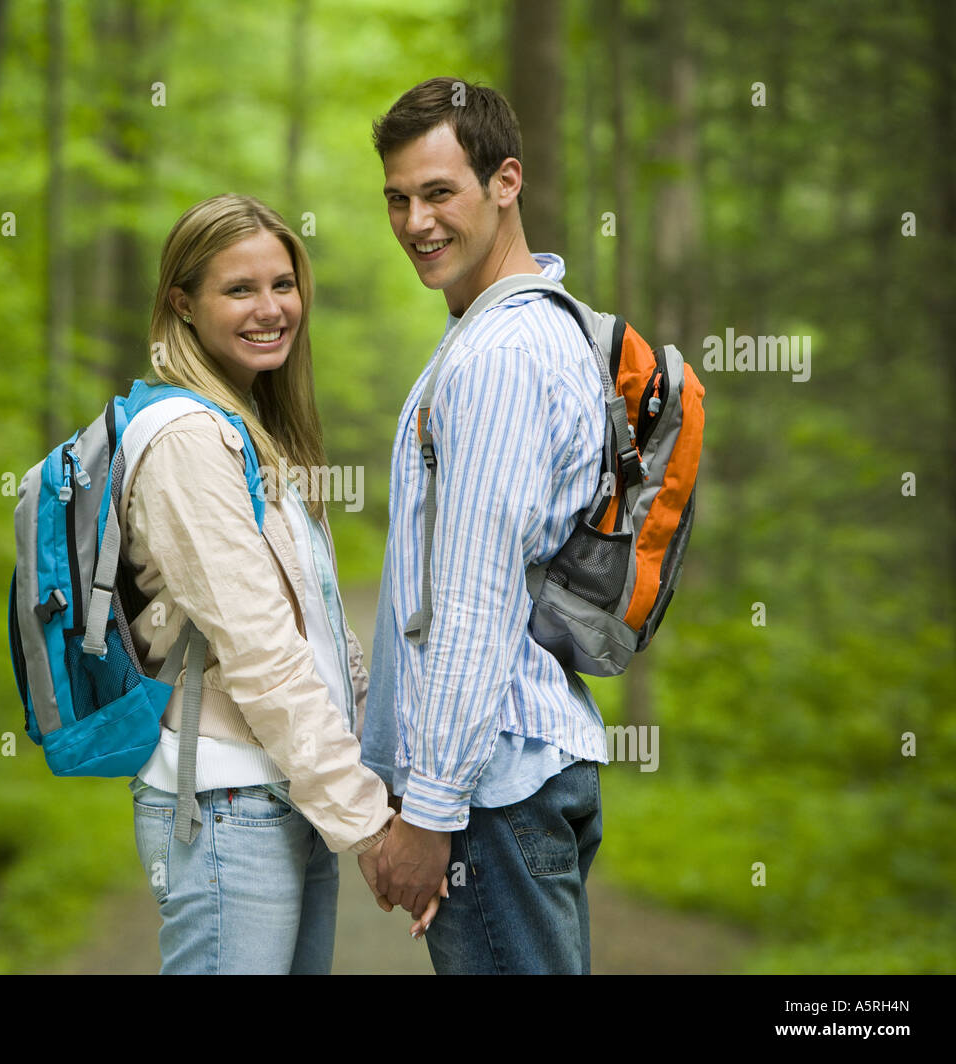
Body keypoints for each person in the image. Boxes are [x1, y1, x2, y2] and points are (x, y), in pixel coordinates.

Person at [121, 193, 441, 975]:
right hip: (227, 809)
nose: (271, 309)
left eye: (283, 285)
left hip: (280, 798)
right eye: (239, 290)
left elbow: (322, 633)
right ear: (182, 307)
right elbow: (264, 655)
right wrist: (370, 827)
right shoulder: (186, 444)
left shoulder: (252, 435)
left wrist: (375, 779)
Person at [360, 78, 609, 974]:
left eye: (439, 193)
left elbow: (473, 598)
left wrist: (430, 810)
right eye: (398, 197)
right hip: (513, 771)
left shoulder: (500, 356)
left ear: (506, 181)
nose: (416, 222)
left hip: (494, 790)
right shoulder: (508, 331)